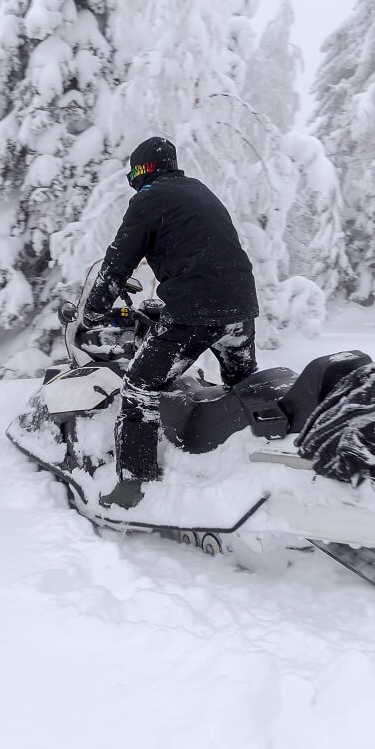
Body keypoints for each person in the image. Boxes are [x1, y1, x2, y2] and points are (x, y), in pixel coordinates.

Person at [81, 136, 259, 509]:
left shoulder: (148, 200)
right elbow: (203, 253)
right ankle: (254, 467)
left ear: (142, 170)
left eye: (133, 172)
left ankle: (134, 486)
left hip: (197, 310)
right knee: (244, 389)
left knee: (139, 387)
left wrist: (93, 312)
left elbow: (117, 263)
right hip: (240, 306)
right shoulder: (198, 191)